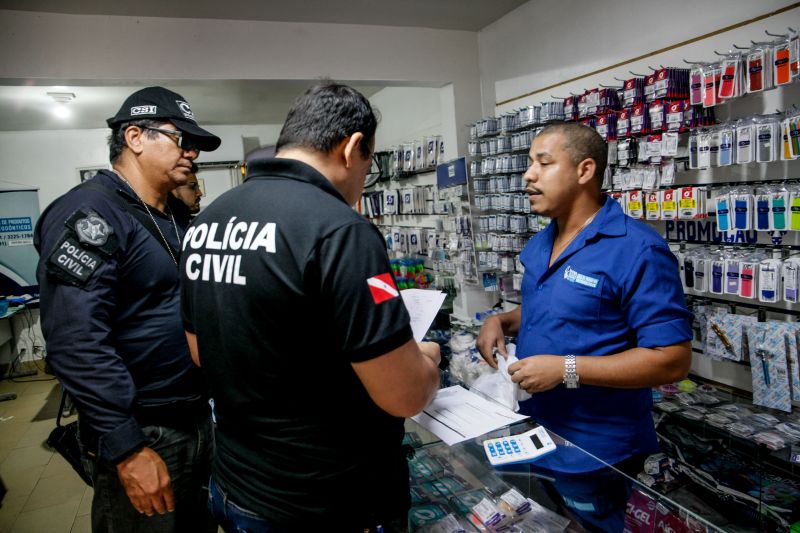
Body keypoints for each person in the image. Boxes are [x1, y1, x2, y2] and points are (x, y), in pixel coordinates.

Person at [179, 82, 441, 532]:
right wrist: (427, 361)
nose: (364, 180)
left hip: (237, 484)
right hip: (320, 501)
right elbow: (404, 396)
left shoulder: (209, 220)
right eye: (368, 165)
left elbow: (204, 351)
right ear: (352, 147)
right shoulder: (340, 229)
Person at [476, 122, 692, 532]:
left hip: (598, 451)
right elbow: (554, 309)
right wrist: (501, 320)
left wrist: (566, 368)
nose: (528, 175)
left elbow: (672, 360)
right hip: (535, 431)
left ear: (584, 170)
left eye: (543, 163)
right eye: (528, 164)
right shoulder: (542, 242)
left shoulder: (637, 249)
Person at [34, 86, 221, 533]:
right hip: (146, 430)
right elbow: (75, 341)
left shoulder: (174, 215)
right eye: (182, 140)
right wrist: (127, 447)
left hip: (197, 417)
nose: (192, 154)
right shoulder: (90, 215)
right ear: (135, 136)